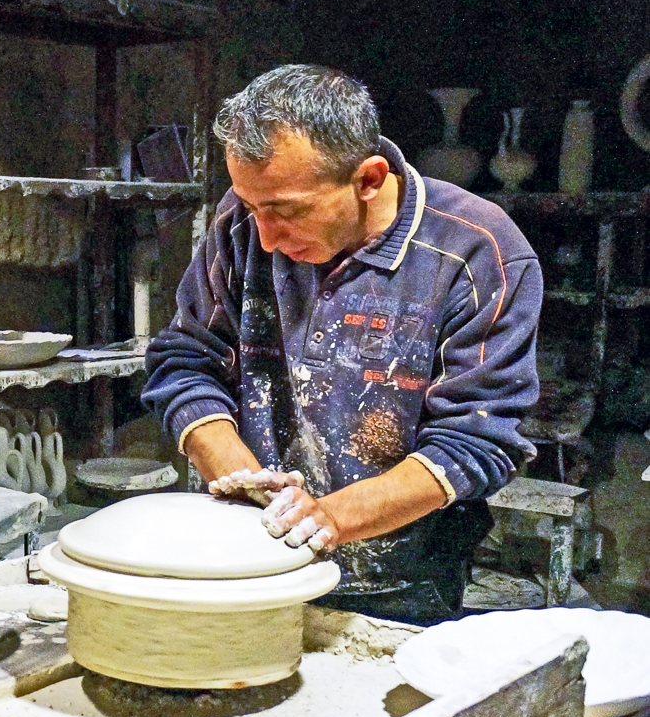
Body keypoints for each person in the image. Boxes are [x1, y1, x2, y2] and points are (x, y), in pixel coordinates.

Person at [141, 64, 541, 626]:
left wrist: (328, 518)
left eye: (287, 210)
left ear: (370, 179)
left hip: (403, 582)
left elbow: (478, 438)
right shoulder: (243, 225)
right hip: (247, 566)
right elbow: (186, 360)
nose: (264, 236)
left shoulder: (478, 251)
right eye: (252, 206)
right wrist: (239, 475)